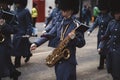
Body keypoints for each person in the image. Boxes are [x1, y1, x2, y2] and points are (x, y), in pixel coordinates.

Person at [30, 0, 86, 80]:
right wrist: (36, 43)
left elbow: (82, 43)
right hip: (59, 58)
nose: (62, 12)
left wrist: (74, 38)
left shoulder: (77, 25)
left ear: (71, 10)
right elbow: (49, 35)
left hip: (69, 61)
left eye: (65, 10)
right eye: (62, 10)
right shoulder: (60, 23)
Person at [87, 0, 112, 70]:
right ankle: (101, 64)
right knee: (100, 50)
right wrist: (90, 30)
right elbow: (95, 24)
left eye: (104, 10)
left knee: (106, 50)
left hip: (107, 36)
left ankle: (108, 63)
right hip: (100, 36)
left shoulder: (109, 17)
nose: (103, 11)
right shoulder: (99, 16)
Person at [98, 0, 120, 79]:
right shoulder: (111, 23)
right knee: (111, 71)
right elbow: (105, 36)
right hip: (110, 52)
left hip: (118, 53)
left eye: (119, 13)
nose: (117, 15)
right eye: (116, 13)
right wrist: (100, 46)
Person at [0, 0, 21, 80]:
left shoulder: (11, 14)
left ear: (6, 3)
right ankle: (14, 73)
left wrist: (4, 25)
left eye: (2, 3)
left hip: (4, 43)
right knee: (6, 62)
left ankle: (13, 73)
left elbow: (15, 29)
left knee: (5, 62)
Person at [12, 0, 33, 68]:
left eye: (18, 3)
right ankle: (28, 54)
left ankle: (17, 63)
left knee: (18, 48)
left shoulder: (26, 11)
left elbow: (29, 23)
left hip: (22, 33)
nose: (16, 4)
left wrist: (28, 33)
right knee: (21, 47)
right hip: (16, 32)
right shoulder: (15, 11)